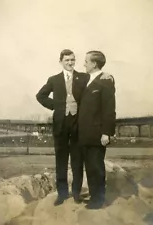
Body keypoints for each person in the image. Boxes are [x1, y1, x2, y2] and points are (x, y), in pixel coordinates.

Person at [36, 49, 89, 206]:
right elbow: (40, 96)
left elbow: (96, 84)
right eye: (67, 60)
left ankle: (77, 193)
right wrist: (57, 106)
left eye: (72, 60)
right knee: (61, 160)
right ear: (61, 62)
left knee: (78, 160)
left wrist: (107, 76)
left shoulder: (84, 78)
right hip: (60, 125)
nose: (70, 63)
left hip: (78, 124)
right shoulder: (54, 80)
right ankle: (62, 194)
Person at [78, 50, 116, 209]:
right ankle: (94, 196)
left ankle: (98, 200)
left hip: (97, 133)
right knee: (90, 166)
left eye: (86, 61)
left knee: (96, 166)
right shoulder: (87, 78)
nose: (84, 64)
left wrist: (107, 132)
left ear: (94, 63)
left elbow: (109, 109)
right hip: (85, 133)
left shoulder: (106, 81)